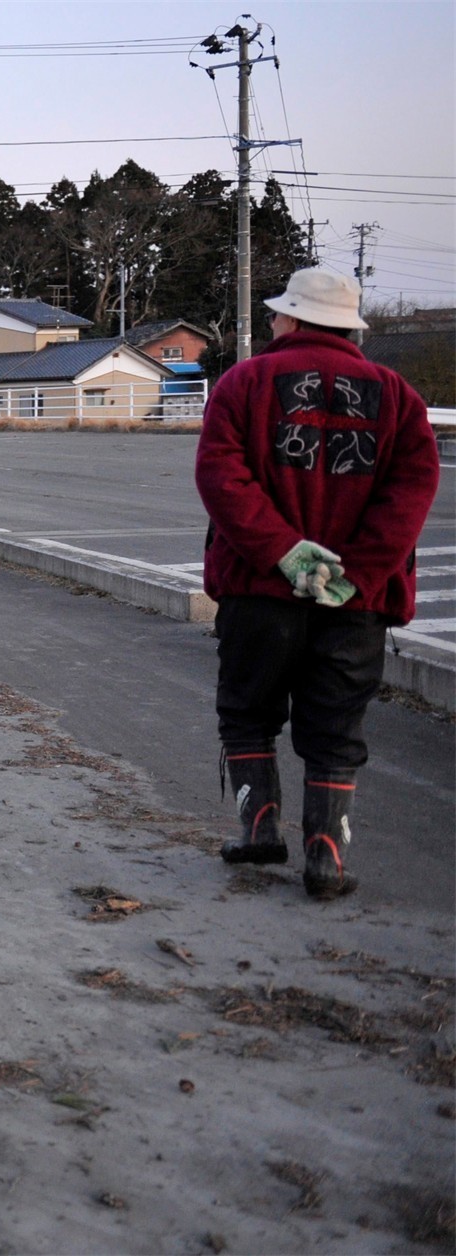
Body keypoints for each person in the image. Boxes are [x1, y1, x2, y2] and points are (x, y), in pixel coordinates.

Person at [195, 267, 440, 899]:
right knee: (336, 729)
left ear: (297, 319)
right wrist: (356, 572)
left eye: (278, 314)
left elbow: (222, 477)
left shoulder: (244, 383)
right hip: (356, 602)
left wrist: (283, 554)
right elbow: (411, 492)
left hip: (258, 590)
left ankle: (258, 832)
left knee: (248, 711)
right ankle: (326, 857)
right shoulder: (397, 395)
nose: (273, 322)